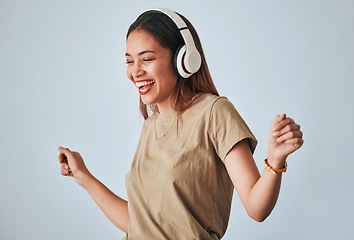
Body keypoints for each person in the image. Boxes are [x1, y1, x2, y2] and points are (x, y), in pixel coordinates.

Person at [58, 8, 303, 240]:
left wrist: (275, 160)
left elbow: (256, 208)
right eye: (129, 61)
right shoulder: (149, 126)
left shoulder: (214, 112)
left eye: (147, 59)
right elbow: (139, 222)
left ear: (184, 60)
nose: (135, 71)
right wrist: (83, 176)